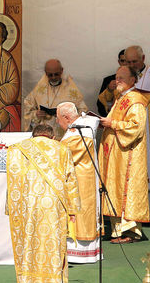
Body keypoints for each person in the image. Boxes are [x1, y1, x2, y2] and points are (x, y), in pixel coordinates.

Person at [7, 124, 80, 282]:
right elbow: (71, 180)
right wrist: (73, 210)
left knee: (29, 242)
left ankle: (28, 278)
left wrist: (10, 207)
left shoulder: (18, 149)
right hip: (54, 205)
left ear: (33, 136)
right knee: (53, 242)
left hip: (28, 204)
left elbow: (14, 179)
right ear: (52, 137)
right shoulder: (62, 149)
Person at [99, 65, 150, 243]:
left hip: (129, 155)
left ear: (132, 80)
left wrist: (112, 124)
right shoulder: (121, 97)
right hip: (116, 154)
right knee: (115, 189)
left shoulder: (135, 100)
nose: (117, 80)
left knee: (126, 190)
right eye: (117, 77)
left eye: (121, 78)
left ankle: (131, 232)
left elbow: (136, 127)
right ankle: (118, 230)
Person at [57, 102, 101, 263]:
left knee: (81, 212)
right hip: (80, 176)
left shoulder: (79, 132)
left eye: (58, 118)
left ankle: (80, 253)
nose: (57, 122)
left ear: (66, 117)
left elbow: (67, 154)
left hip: (81, 179)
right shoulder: (81, 124)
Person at [23, 59, 88, 140]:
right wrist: (36, 114)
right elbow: (27, 108)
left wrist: (70, 116)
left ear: (61, 71)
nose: (53, 77)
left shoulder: (70, 88)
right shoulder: (40, 88)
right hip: (45, 135)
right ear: (46, 73)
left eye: (56, 74)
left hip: (64, 134)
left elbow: (83, 110)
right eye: (50, 75)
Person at [97, 49, 127, 116]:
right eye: (122, 61)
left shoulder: (140, 79)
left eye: (128, 61)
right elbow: (100, 105)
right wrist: (109, 90)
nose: (125, 63)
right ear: (119, 62)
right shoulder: (109, 80)